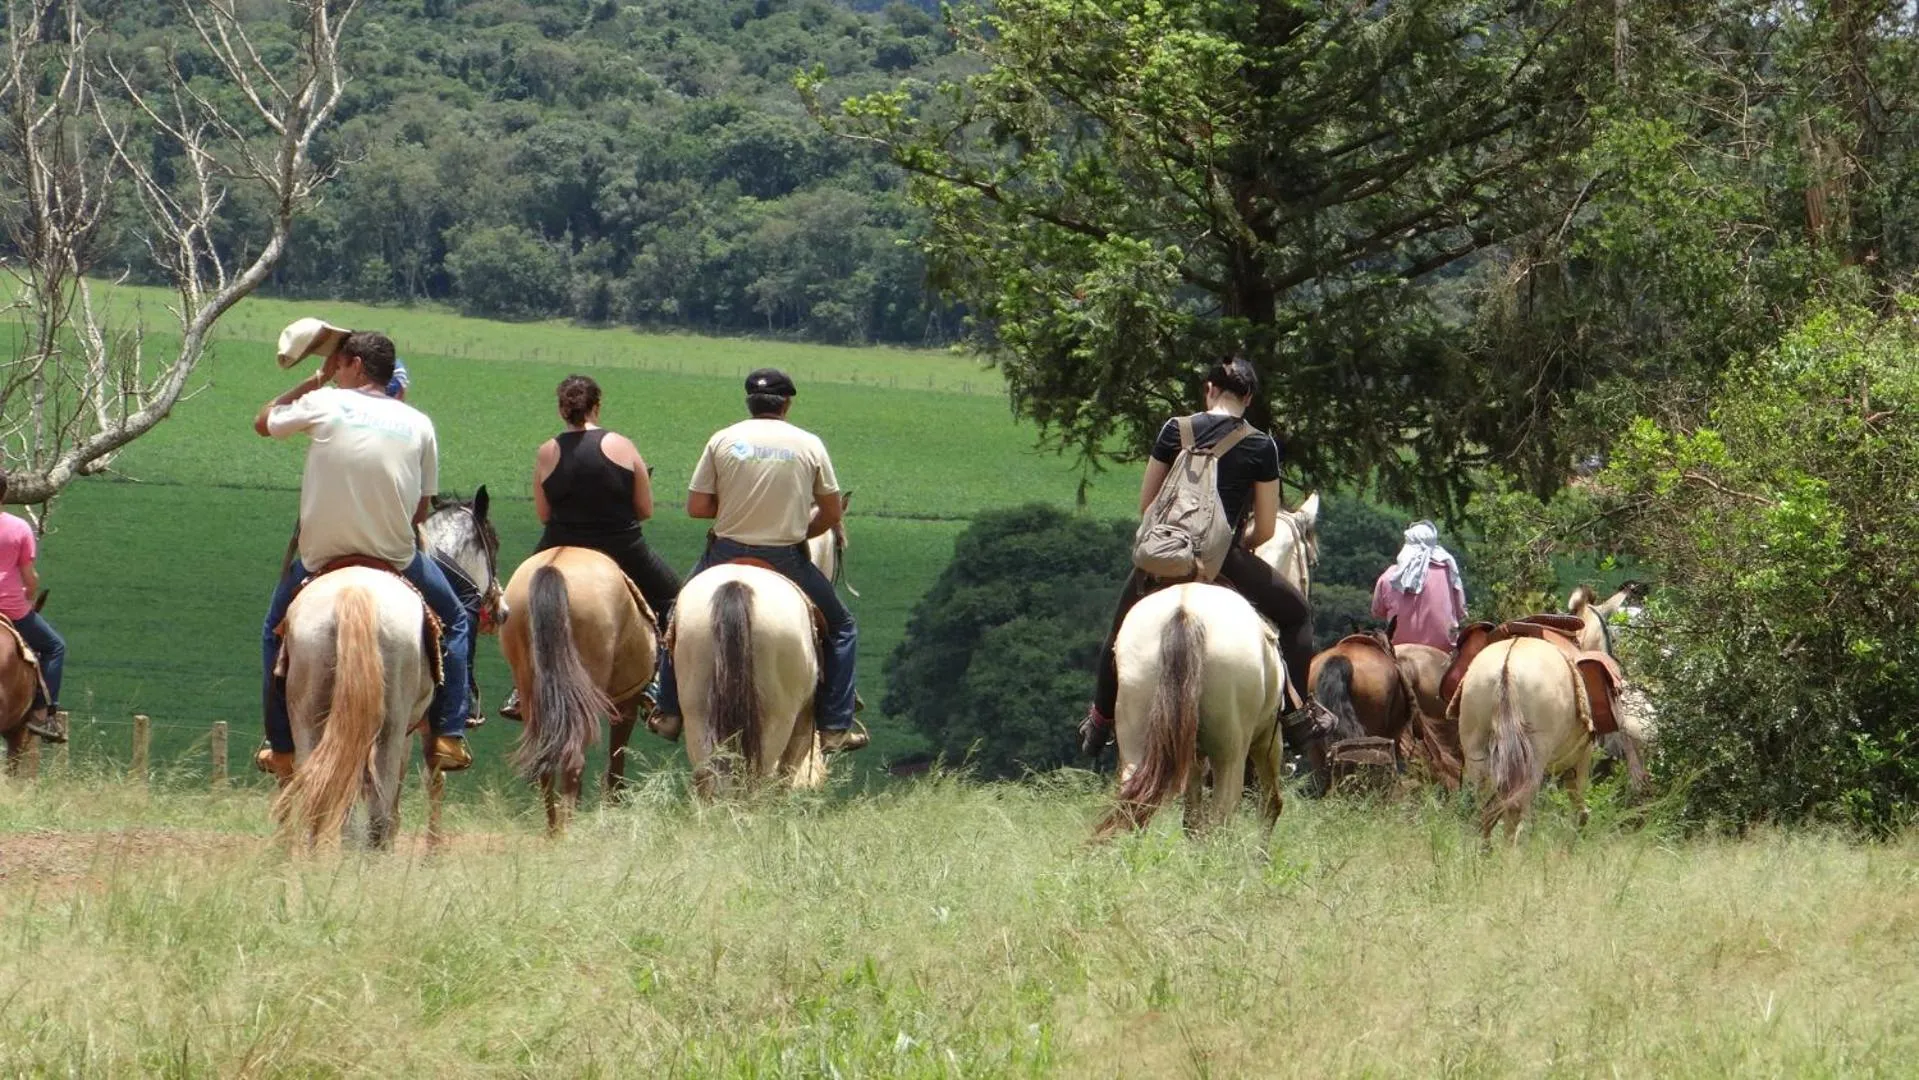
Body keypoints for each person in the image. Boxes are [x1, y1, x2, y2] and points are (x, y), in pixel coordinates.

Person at [253, 330, 473, 780]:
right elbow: (420, 511)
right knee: (456, 621)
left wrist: (316, 379)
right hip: (395, 556)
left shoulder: (325, 402)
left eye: (339, 362)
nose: (335, 369)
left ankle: (282, 747)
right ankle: (448, 734)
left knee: (273, 630)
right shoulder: (419, 423)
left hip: (321, 556)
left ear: (354, 364)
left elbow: (264, 420)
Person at [1079, 358, 1321, 756]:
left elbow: (1146, 504)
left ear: (1209, 389)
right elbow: (1264, 529)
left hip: (1163, 555)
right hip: (1221, 559)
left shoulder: (1175, 429)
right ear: (1248, 397)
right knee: (1298, 616)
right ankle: (1295, 718)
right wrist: (1236, 543)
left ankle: (1100, 720)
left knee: (1118, 631)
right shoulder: (1261, 445)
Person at [649, 369, 865, 753]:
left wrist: (735, 507)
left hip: (725, 551)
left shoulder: (722, 439)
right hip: (785, 557)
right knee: (843, 627)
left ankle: (667, 710)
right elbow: (832, 512)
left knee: (677, 615)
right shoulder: (809, 444)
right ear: (787, 403)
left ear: (749, 402)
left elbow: (697, 507)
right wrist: (799, 529)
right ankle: (835, 726)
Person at [498, 375, 682, 720]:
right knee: (674, 601)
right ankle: (658, 682)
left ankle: (519, 689)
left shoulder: (547, 451)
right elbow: (645, 510)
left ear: (561, 410)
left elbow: (543, 514)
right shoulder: (622, 446)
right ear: (597, 406)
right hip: (621, 545)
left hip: (560, 540)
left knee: (514, 603)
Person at [0, 470, 68, 744]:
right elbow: (30, 578)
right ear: (5, 493)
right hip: (12, 608)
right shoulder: (19, 528)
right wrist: (29, 596)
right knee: (55, 647)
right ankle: (43, 714)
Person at [1370, 520, 1468, 650]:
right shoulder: (1450, 572)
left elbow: (1378, 612)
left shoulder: (1389, 577)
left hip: (1398, 648)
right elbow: (1461, 612)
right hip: (1444, 649)